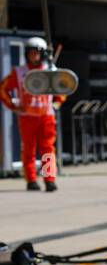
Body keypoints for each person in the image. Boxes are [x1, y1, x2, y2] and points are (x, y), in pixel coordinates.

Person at [0, 37, 64, 191]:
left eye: (37, 53)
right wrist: (14, 104)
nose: (34, 56)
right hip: (27, 117)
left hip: (46, 116)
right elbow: (3, 89)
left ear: (42, 55)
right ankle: (31, 180)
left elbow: (62, 89)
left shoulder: (50, 70)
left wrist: (56, 104)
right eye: (31, 53)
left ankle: (49, 179)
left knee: (47, 149)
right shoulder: (19, 72)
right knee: (29, 149)